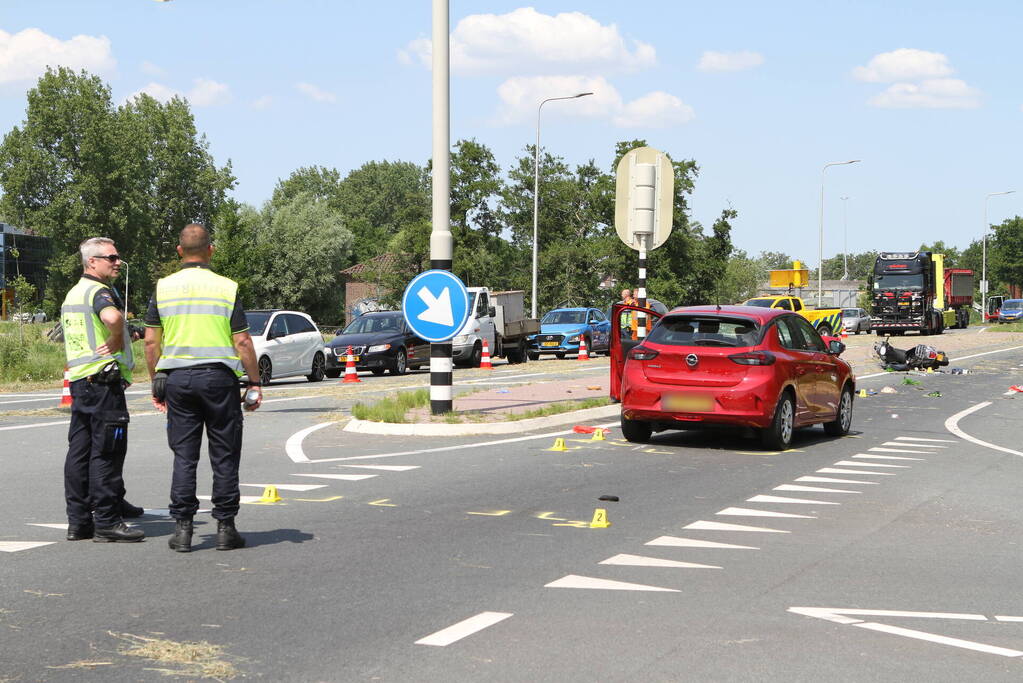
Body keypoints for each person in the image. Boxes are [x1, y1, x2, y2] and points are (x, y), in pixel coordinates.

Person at [144, 224, 262, 553]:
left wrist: (156, 379)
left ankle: (183, 530)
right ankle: (226, 528)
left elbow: (151, 342)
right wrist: (254, 382)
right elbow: (242, 341)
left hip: (178, 382)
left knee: (184, 456)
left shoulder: (163, 288)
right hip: (219, 380)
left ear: (179, 251)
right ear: (211, 250)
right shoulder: (226, 287)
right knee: (224, 455)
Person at [60, 237, 145, 543]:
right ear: (92, 262)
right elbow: (111, 318)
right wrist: (117, 335)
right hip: (103, 383)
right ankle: (107, 520)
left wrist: (124, 334)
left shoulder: (73, 294)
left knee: (79, 452)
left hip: (82, 382)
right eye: (112, 257)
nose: (117, 261)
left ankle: (79, 521)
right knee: (108, 450)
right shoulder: (99, 291)